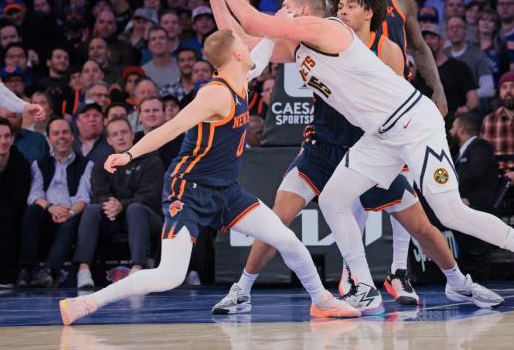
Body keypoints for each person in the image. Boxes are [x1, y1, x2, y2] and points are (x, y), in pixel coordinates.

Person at [207, 0, 514, 311]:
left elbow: (254, 22)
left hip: (413, 124)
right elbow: (240, 44)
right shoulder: (300, 48)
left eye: (284, 2)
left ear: (300, 11)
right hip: (380, 135)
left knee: (449, 214)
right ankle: (364, 286)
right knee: (333, 200)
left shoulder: (327, 28)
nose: (279, 7)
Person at [59, 29, 360, 325]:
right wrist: (128, 155)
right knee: (170, 275)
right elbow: (172, 127)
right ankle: (85, 302)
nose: (248, 47)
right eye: (243, 44)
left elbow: (262, 52)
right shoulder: (215, 94)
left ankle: (321, 301)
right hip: (188, 189)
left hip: (225, 189)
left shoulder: (240, 77)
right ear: (237, 54)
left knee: (286, 239)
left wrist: (278, 27)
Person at [346, 0, 447, 116]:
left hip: (397, 92)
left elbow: (419, 47)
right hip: (355, 95)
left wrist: (438, 87)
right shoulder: (336, 4)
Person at [74, 118, 164, 288]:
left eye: (124, 132)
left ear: (132, 135)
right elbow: (99, 195)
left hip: (148, 217)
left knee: (136, 209)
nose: (120, 137)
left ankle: (138, 268)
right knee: (92, 210)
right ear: (109, 140)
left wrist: (122, 205)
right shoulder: (102, 165)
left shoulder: (151, 161)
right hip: (115, 218)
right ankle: (83, 270)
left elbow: (149, 197)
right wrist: (112, 205)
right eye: (115, 134)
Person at [17, 118, 92, 288]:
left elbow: (84, 197)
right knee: (32, 211)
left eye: (65, 132)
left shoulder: (86, 164)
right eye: (56, 133)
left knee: (70, 223)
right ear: (49, 138)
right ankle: (25, 269)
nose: (61, 137)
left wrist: (69, 212)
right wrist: (51, 208)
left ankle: (49, 271)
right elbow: (34, 194)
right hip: (47, 212)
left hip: (72, 212)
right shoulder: (40, 163)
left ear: (73, 136)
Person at [449, 113, 499, 279]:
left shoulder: (480, 147)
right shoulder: (459, 152)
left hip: (478, 203)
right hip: (462, 202)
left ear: (462, 129)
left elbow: (472, 175)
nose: (450, 131)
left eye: (453, 127)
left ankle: (476, 271)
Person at [0, 117, 31, 287]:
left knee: (6, 216)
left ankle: (6, 274)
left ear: (12, 138)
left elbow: (17, 198)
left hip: (12, 212)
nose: (3, 141)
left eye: (6, 136)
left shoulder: (20, 163)